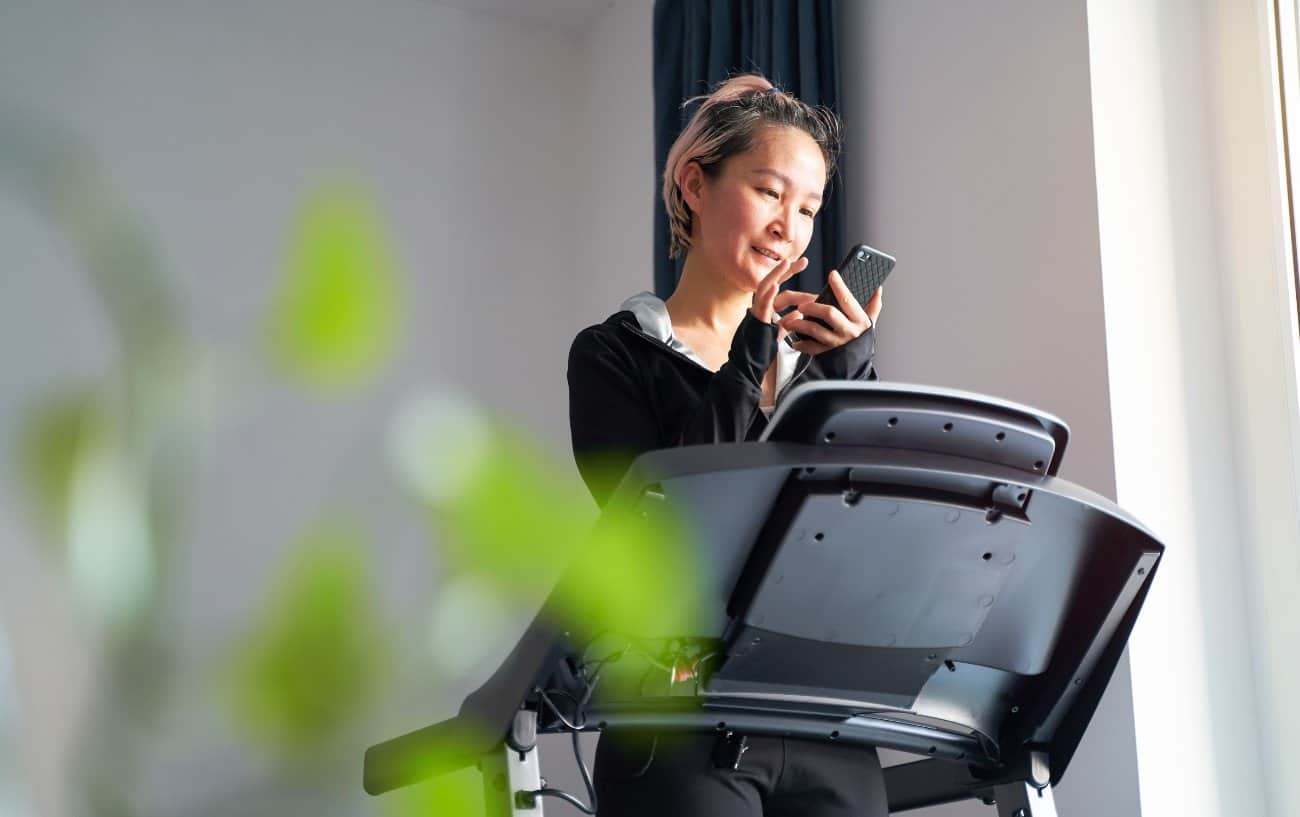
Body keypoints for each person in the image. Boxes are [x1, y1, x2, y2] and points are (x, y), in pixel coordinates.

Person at [566, 74, 888, 817]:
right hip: (679, 724)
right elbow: (671, 521)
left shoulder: (815, 369)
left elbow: (865, 533)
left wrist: (852, 372)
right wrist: (752, 352)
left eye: (808, 208)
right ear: (694, 184)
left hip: (821, 721)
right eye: (771, 192)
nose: (790, 226)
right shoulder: (614, 355)